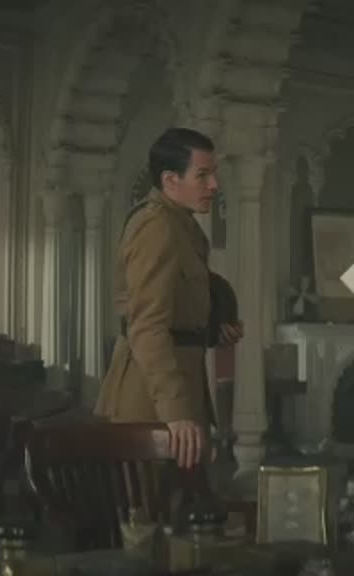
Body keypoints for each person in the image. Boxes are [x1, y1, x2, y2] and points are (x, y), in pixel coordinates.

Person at [95, 127, 243, 469]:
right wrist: (175, 411)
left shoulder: (182, 226)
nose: (214, 185)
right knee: (149, 500)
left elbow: (179, 307)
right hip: (151, 400)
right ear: (170, 180)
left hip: (177, 387)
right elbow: (147, 327)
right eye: (202, 175)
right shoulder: (156, 226)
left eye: (214, 174)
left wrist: (213, 329)